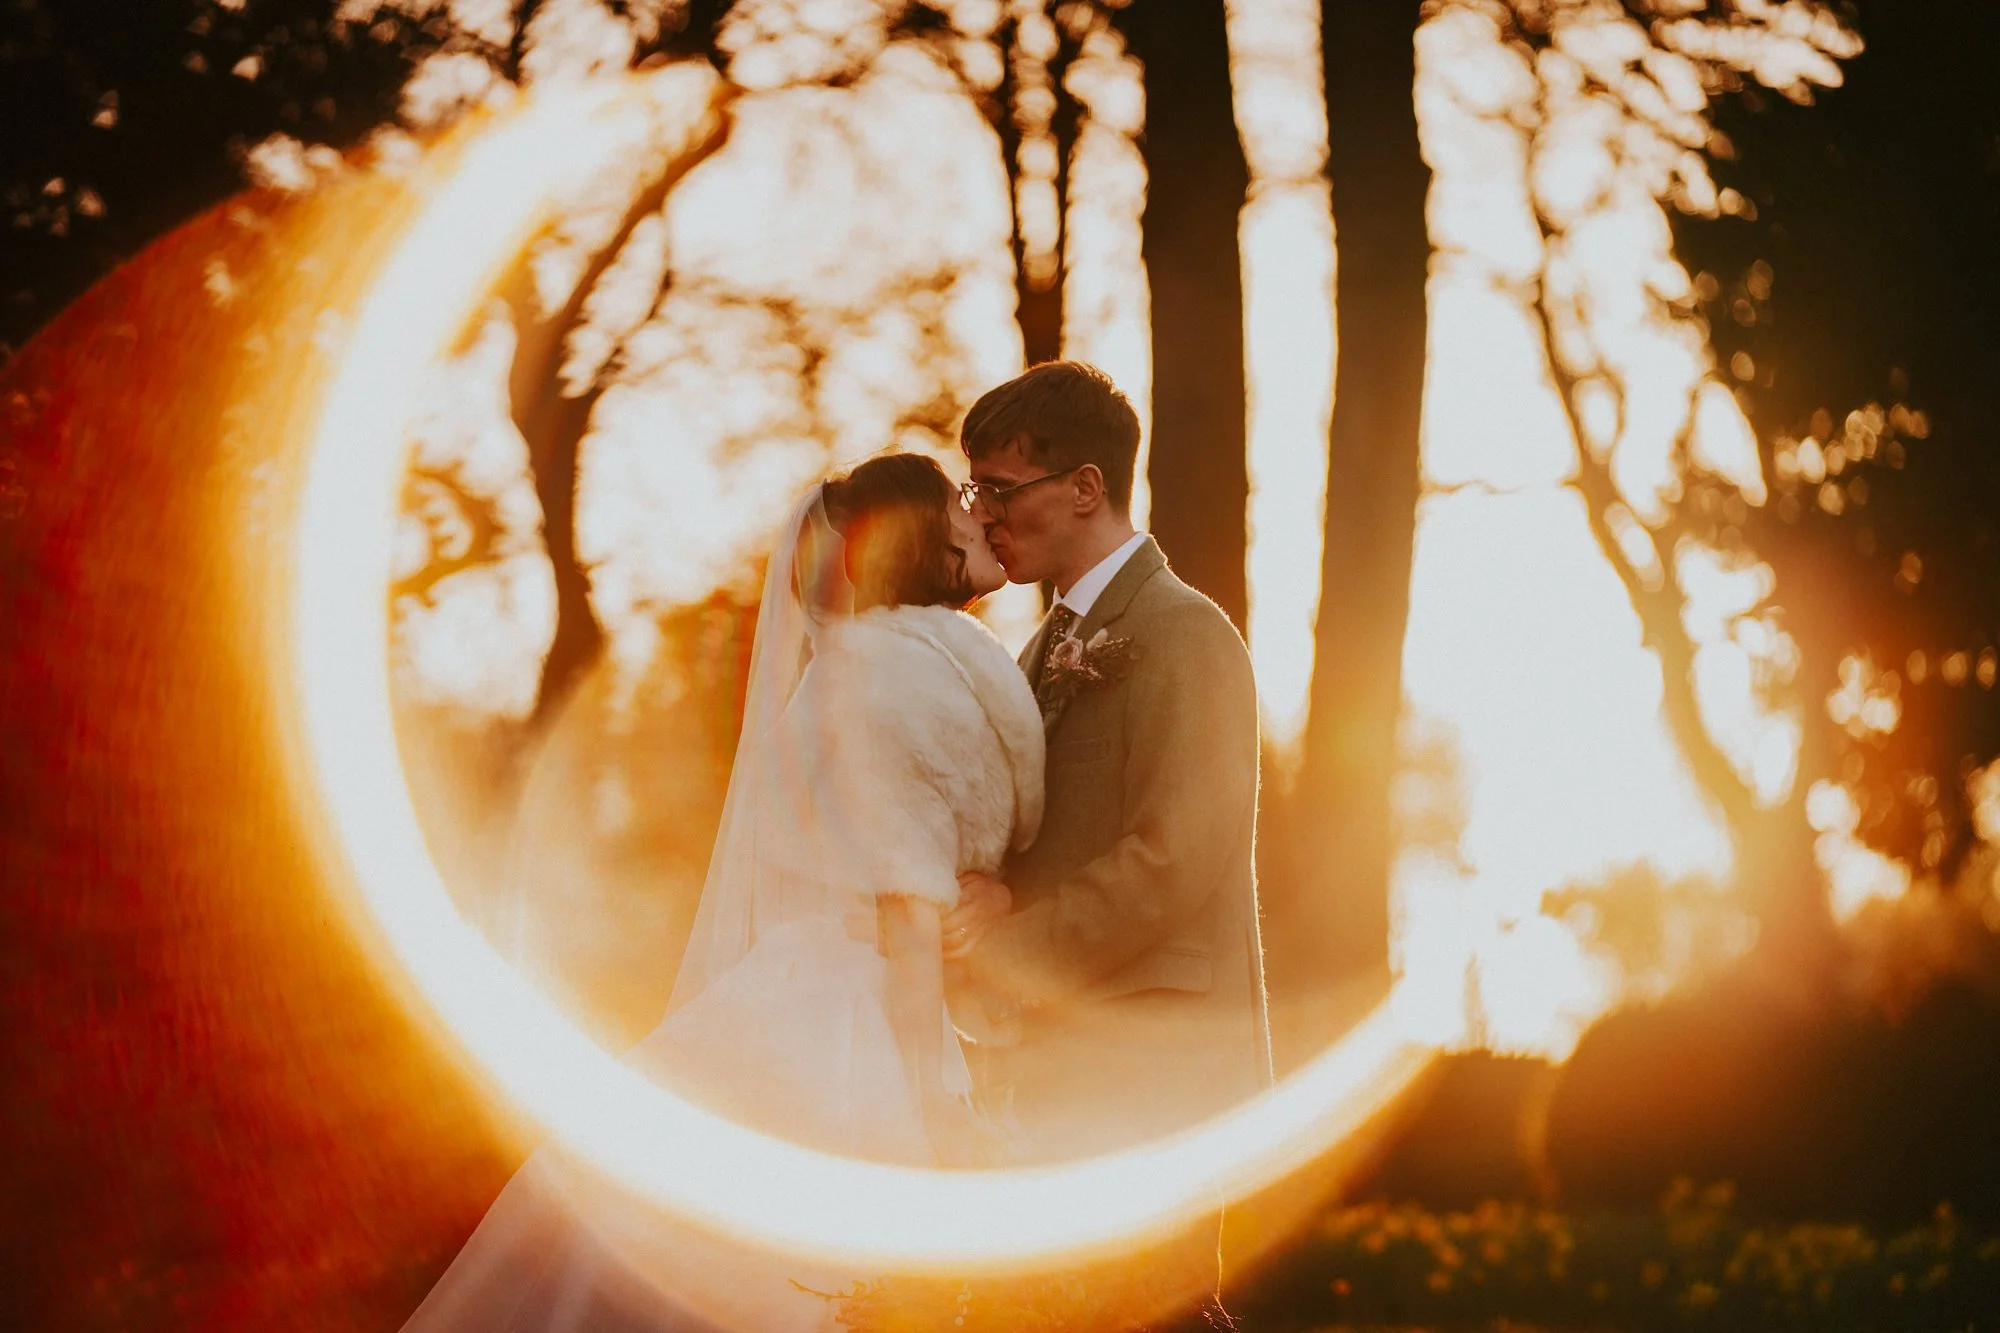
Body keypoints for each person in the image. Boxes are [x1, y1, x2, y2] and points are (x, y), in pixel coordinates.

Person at [400, 452, 1045, 1332]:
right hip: (866, 1014)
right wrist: (933, 1108)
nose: (977, 518)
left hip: (794, 1000)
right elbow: (906, 909)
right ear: (920, 539)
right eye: (958, 507)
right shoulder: (901, 680)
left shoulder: (852, 672)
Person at [944, 360, 1274, 1163]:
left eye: (1001, 489)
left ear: (1086, 487)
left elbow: (1174, 857)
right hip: (1067, 1068)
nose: (984, 515)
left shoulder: (1186, 632)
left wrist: (1006, 954)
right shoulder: (1037, 650)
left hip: (1158, 1072)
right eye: (974, 491)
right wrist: (993, 891)